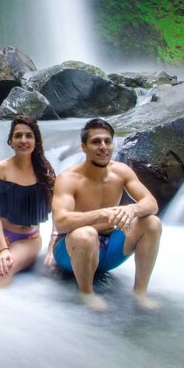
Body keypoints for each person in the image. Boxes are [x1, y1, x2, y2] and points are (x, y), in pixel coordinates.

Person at [49, 118, 162, 310]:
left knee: (152, 223)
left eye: (107, 141)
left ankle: (140, 292)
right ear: (83, 147)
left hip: (110, 249)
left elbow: (151, 203)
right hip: (71, 251)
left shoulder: (121, 171)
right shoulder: (68, 178)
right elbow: (61, 222)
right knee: (86, 234)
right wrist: (102, 214)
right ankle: (86, 293)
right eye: (96, 142)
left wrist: (131, 209)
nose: (103, 147)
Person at [0, 115, 55, 288]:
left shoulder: (45, 172)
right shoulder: (1, 169)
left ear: (36, 141)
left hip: (28, 239)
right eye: (18, 136)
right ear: (10, 141)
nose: (23, 140)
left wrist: (52, 245)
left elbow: (58, 211)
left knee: (4, 270)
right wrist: (3, 248)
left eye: (29, 136)